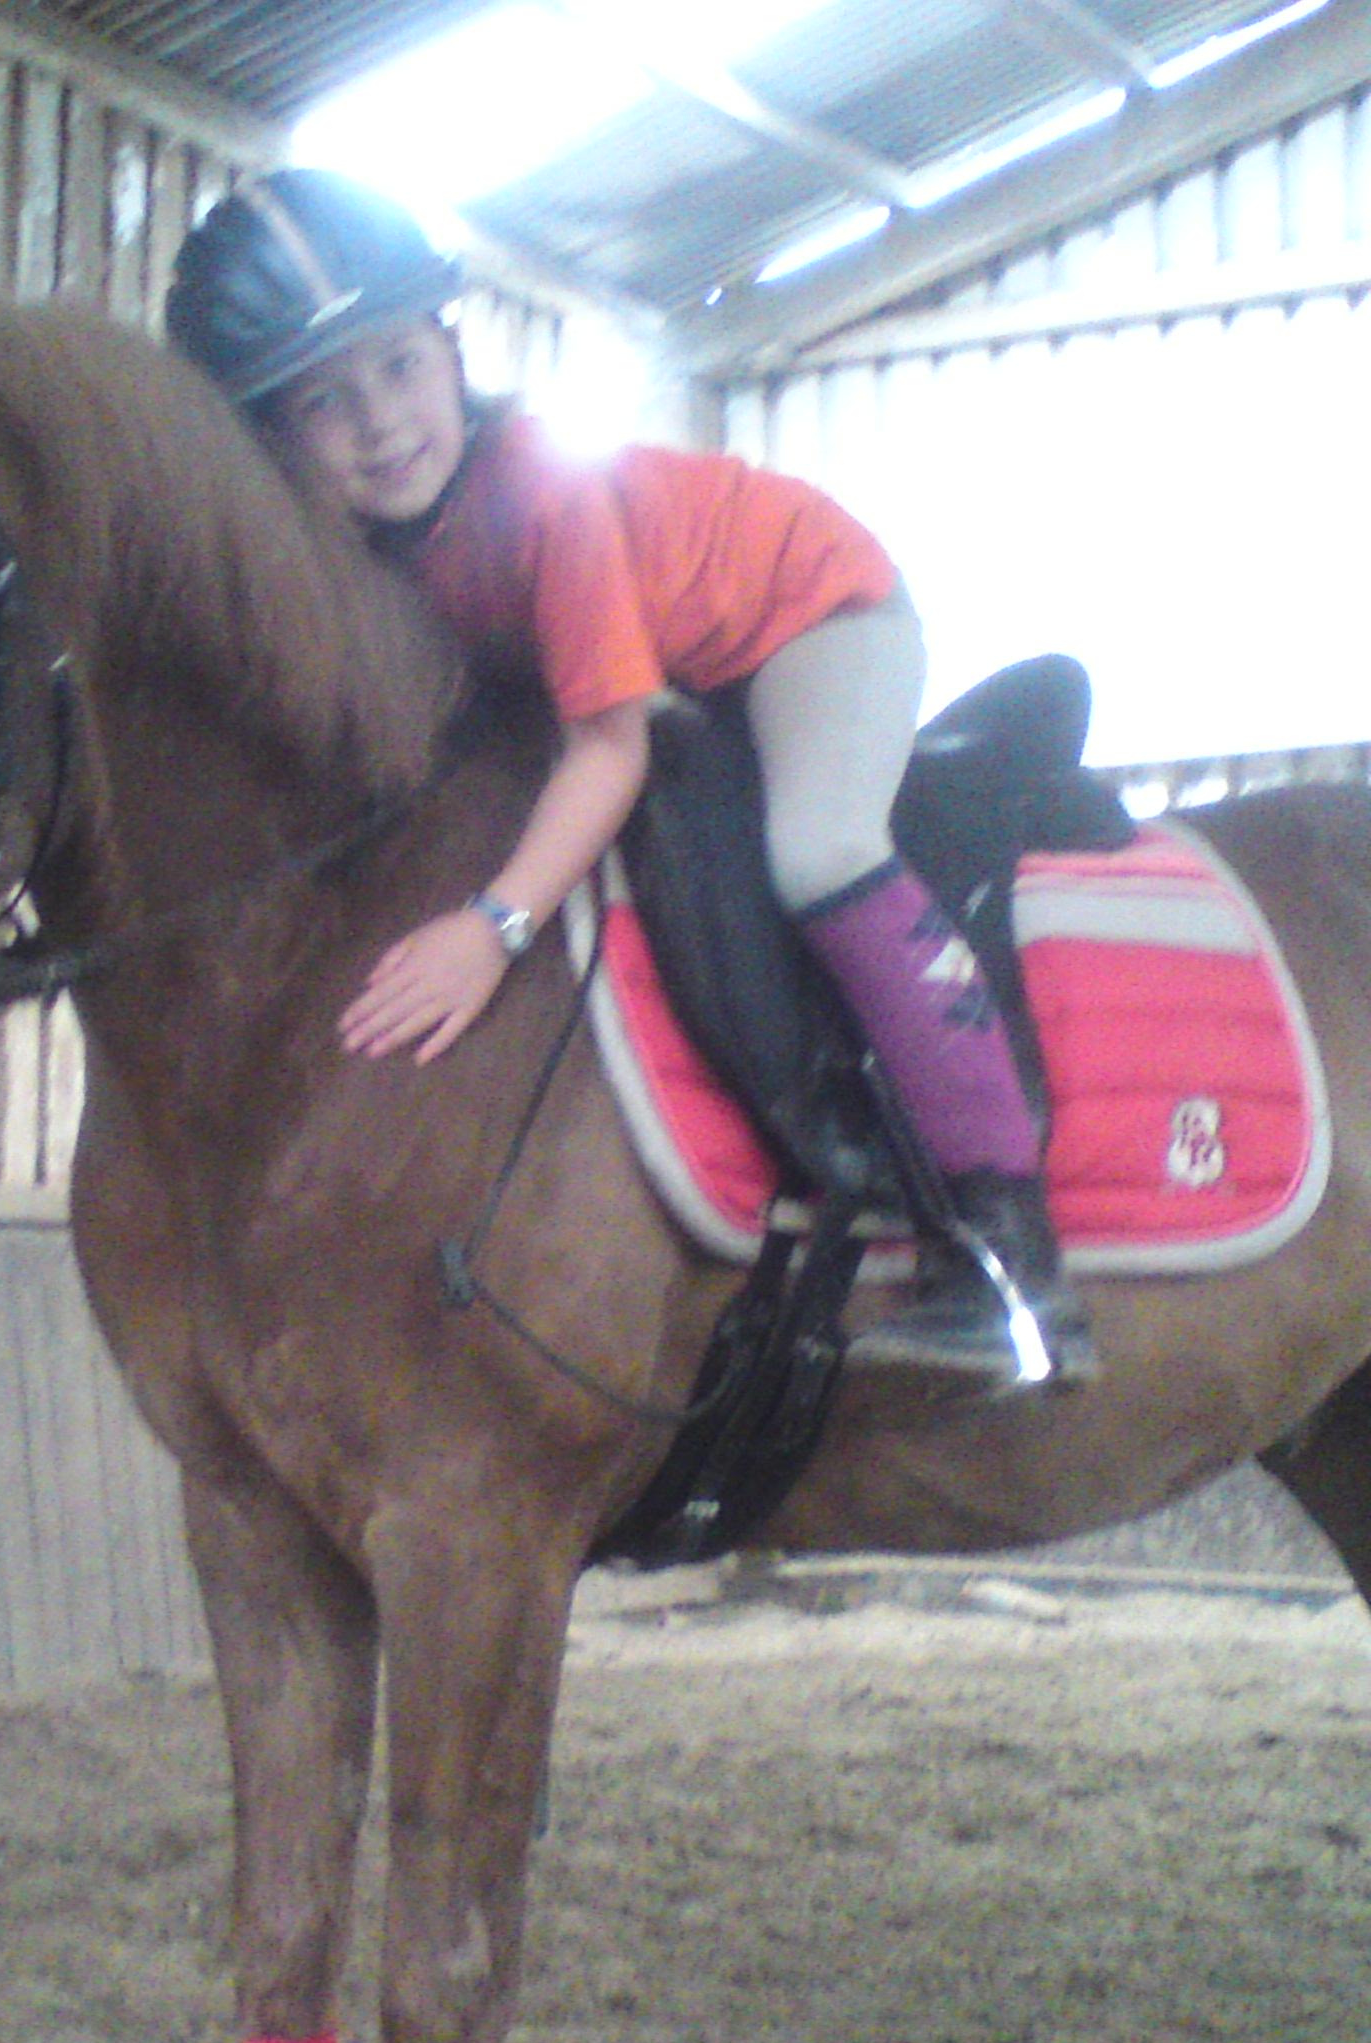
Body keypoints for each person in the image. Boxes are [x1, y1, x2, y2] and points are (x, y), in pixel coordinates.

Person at [165, 167, 1094, 1390]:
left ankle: (1010, 1261)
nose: (380, 422)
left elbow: (608, 749)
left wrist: (493, 927)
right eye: (324, 402)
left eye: (398, 367)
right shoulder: (364, 557)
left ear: (451, 350)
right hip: (674, 664)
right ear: (276, 439)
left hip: (809, 609)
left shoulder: (545, 492)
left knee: (819, 848)